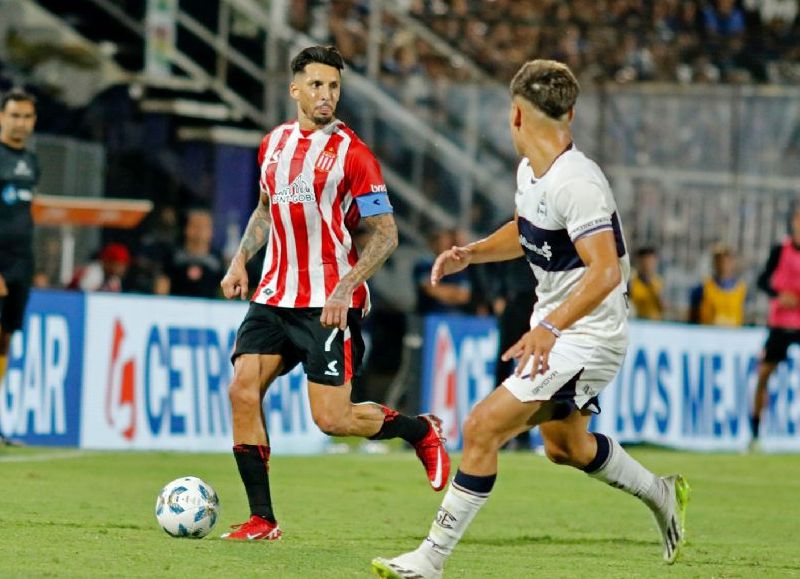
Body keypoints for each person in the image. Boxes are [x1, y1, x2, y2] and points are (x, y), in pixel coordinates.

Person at [372, 59, 690, 579]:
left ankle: (430, 560)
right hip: (562, 327)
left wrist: (549, 327)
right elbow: (528, 227)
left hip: (586, 335)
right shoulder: (533, 173)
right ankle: (660, 491)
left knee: (481, 428)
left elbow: (605, 271)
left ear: (516, 115)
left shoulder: (578, 182)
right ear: (569, 111)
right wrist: (472, 252)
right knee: (566, 447)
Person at [219, 46, 449, 541]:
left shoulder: (354, 154)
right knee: (242, 391)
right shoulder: (273, 145)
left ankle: (420, 431)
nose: (326, 95)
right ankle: (263, 518)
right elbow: (264, 209)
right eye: (317, 85)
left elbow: (386, 232)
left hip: (327, 303)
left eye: (334, 86)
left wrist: (347, 286)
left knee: (333, 419)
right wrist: (241, 260)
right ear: (295, 89)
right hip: (273, 294)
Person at [0, 88, 39, 446]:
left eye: (26, 117)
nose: (20, 123)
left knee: (6, 339)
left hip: (19, 265)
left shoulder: (30, 160)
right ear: (1, 116)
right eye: (14, 115)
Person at [750, 205, 800, 449]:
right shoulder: (781, 249)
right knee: (763, 376)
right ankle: (755, 434)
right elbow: (762, 280)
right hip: (780, 324)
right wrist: (779, 295)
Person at [158, 208, 224, 298]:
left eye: (204, 226)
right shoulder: (173, 256)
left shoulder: (217, 259)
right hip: (176, 307)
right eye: (195, 226)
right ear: (186, 229)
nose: (199, 231)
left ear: (211, 231)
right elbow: (162, 285)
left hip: (208, 309)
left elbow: (224, 291)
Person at [413, 229, 472, 315]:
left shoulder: (458, 268)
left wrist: (444, 291)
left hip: (457, 316)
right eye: (441, 242)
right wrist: (454, 293)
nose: (445, 246)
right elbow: (430, 289)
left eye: (448, 243)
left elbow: (465, 296)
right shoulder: (424, 265)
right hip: (429, 314)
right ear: (434, 244)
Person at [688, 243, 747, 326]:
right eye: (720, 260)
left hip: (733, 336)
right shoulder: (702, 288)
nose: (724, 264)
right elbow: (693, 317)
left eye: (727, 260)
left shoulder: (742, 289)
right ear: (714, 262)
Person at [629, 246, 664, 320]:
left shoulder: (658, 282)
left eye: (651, 261)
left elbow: (662, 307)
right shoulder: (631, 281)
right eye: (645, 261)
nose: (648, 265)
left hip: (654, 325)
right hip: (636, 323)